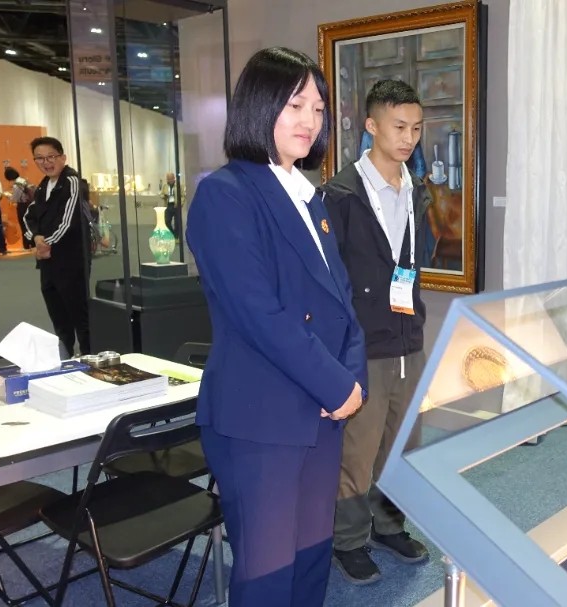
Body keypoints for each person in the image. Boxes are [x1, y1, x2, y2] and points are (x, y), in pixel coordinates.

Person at [185, 47, 368, 607]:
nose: (310, 120)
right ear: (259, 105)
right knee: (268, 574)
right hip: (261, 416)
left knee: (311, 560)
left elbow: (342, 303)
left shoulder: (309, 197)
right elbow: (257, 313)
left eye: (318, 108)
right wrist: (335, 385)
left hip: (320, 413)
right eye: (295, 105)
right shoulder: (225, 193)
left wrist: (351, 381)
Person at [322, 79, 431, 585]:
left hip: (408, 336)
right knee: (358, 449)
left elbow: (414, 262)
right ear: (371, 126)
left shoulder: (417, 191)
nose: (408, 138)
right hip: (363, 344)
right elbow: (328, 281)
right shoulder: (340, 195)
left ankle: (389, 525)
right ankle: (347, 539)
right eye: (399, 126)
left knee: (402, 441)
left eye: (416, 128)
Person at [23, 136, 91, 356]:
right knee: (58, 314)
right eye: (40, 158)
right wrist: (36, 238)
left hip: (71, 260)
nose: (46, 162)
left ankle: (89, 357)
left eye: (51, 156)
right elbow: (29, 215)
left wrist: (46, 243)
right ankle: (65, 356)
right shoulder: (43, 185)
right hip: (48, 261)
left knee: (79, 313)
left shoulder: (72, 181)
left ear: (63, 157)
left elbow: (68, 221)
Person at [6, 167, 34, 249]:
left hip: (23, 206)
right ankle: (33, 243)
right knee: (30, 225)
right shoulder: (24, 181)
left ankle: (26, 245)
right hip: (30, 205)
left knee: (23, 225)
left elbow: (15, 198)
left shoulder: (17, 185)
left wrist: (8, 196)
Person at [163, 172, 180, 237]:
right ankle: (172, 234)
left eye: (170, 178)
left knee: (177, 223)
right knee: (167, 221)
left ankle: (176, 236)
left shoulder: (178, 185)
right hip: (168, 205)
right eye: (168, 179)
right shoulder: (165, 186)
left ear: (174, 178)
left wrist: (180, 203)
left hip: (176, 206)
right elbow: (161, 194)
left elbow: (182, 196)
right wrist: (164, 196)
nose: (169, 180)